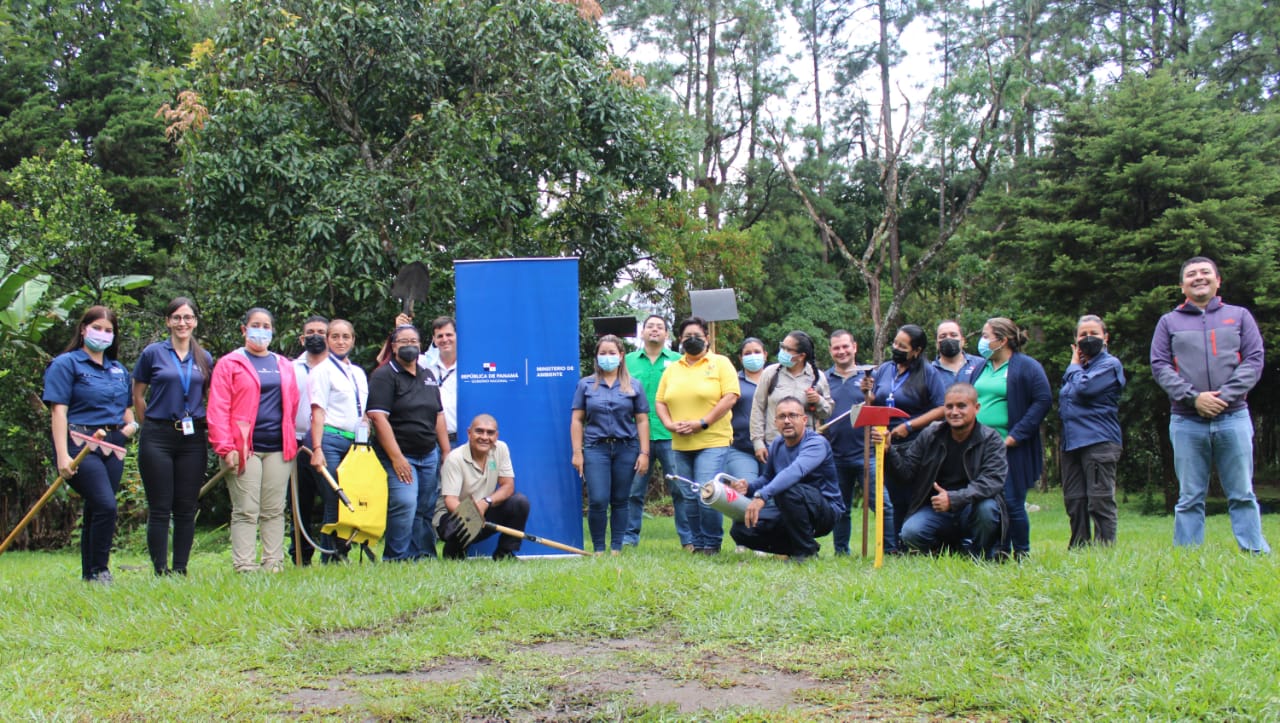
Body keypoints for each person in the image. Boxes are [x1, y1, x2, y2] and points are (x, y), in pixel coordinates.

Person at [1151, 257, 1270, 553]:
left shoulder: (1239, 316)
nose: (1199, 277)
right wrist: (1195, 398)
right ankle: (1188, 558)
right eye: (1191, 274)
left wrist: (1224, 397)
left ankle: (1254, 551)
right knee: (1190, 496)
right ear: (1182, 286)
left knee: (1242, 492)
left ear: (1218, 281)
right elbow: (1161, 366)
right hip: (1186, 420)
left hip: (1233, 417)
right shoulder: (1169, 322)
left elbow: (1254, 360)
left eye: (1205, 272)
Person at [43, 306, 138, 583]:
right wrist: (62, 456)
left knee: (97, 507)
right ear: (83, 329)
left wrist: (130, 428)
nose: (103, 334)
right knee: (107, 505)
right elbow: (58, 412)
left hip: (114, 445)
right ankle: (101, 569)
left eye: (109, 331)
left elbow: (126, 409)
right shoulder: (66, 364)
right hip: (79, 442)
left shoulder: (119, 370)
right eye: (97, 328)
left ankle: (90, 574)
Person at [208, 307, 300, 573]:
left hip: (278, 447)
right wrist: (225, 447)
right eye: (256, 325)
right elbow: (218, 407)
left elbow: (291, 405)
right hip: (243, 447)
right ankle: (245, 565)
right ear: (244, 329)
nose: (262, 330)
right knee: (247, 509)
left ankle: (273, 563)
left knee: (273, 509)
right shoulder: (230, 363)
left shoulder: (283, 364)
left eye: (267, 326)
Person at [132, 297, 214, 576]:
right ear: (168, 321)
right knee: (160, 506)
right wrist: (151, 423)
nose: (182, 323)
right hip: (158, 434)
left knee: (186, 506)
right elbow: (139, 395)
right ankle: (159, 568)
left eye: (188, 317)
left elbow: (209, 395)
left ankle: (180, 568)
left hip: (192, 438)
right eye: (177, 317)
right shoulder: (153, 353)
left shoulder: (204, 357)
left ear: (195, 322)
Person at [879, 383, 1004, 558]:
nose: (954, 412)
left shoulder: (991, 439)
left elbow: (993, 481)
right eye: (949, 406)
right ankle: (949, 551)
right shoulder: (930, 434)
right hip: (936, 508)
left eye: (961, 406)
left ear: (976, 408)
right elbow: (905, 473)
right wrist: (889, 451)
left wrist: (953, 499)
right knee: (910, 532)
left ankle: (980, 555)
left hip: (972, 506)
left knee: (987, 510)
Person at [655, 316, 740, 554]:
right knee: (688, 495)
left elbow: (731, 396)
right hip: (681, 442)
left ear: (707, 338)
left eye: (697, 336)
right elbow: (660, 401)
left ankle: (712, 543)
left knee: (706, 490)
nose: (692, 340)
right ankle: (698, 543)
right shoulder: (673, 368)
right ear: (680, 341)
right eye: (686, 337)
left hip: (712, 439)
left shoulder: (721, 363)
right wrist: (670, 424)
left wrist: (702, 423)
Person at [968, 317, 1051, 559]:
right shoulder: (980, 367)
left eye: (986, 336)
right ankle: (997, 551)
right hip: (980, 447)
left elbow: (1042, 400)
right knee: (988, 502)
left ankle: (1021, 552)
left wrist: (1016, 435)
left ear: (1002, 340)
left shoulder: (1026, 366)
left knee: (1012, 502)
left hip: (1010, 447)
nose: (982, 342)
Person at [367, 324, 450, 560]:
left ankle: (423, 554)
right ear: (393, 347)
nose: (409, 345)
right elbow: (378, 418)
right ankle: (395, 557)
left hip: (428, 453)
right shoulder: (384, 376)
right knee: (404, 503)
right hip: (400, 455)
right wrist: (397, 458)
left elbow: (439, 415)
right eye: (403, 341)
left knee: (425, 508)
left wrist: (445, 452)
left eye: (413, 341)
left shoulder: (428, 375)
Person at [729, 397, 844, 561]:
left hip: (825, 511)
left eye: (793, 415)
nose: (787, 421)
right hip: (788, 507)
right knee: (741, 529)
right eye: (782, 417)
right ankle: (801, 547)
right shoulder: (777, 444)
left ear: (804, 420)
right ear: (775, 422)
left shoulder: (816, 443)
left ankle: (806, 554)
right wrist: (749, 488)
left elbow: (795, 472)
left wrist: (762, 496)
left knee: (788, 489)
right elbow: (768, 478)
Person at [865, 324, 947, 549]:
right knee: (891, 496)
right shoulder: (885, 369)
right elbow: (875, 402)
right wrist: (867, 394)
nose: (896, 348)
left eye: (903, 346)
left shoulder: (928, 373)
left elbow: (941, 408)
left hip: (914, 443)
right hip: (886, 443)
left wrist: (909, 426)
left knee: (910, 494)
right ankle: (894, 546)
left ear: (916, 351)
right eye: (895, 343)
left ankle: (913, 542)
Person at [570, 334, 650, 554]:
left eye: (612, 353)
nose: (607, 357)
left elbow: (642, 420)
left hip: (627, 448)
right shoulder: (585, 384)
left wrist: (644, 453)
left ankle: (616, 548)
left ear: (621, 356)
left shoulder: (634, 385)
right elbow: (577, 420)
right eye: (603, 353)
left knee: (621, 499)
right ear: (596, 356)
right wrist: (577, 452)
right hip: (596, 448)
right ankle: (598, 548)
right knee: (598, 499)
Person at [622, 315, 689, 549]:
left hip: (672, 434)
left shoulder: (680, 361)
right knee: (633, 490)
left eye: (659, 327)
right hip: (636, 436)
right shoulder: (627, 361)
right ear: (642, 333)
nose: (654, 330)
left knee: (680, 489)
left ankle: (688, 539)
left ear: (667, 335)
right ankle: (629, 538)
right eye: (649, 326)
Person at [308, 319, 371, 561]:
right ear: (327, 340)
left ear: (353, 340)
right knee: (335, 498)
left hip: (356, 444)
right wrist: (316, 448)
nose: (340, 341)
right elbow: (318, 411)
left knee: (352, 498)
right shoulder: (322, 370)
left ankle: (344, 552)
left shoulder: (358, 373)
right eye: (335, 336)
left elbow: (363, 410)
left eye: (346, 336)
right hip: (331, 440)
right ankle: (330, 557)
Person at [1060, 315, 1125, 548]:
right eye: (1083, 335)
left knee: (1099, 499)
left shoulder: (1109, 365)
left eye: (1094, 334)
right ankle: (1079, 547)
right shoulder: (1079, 369)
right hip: (1071, 443)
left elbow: (1085, 389)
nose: (1088, 339)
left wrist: (1073, 366)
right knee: (1074, 499)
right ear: (1075, 340)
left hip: (1098, 440)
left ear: (1105, 338)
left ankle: (1104, 549)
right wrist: (1076, 367)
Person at [434, 414, 530, 559]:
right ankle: (454, 552)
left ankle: (504, 554)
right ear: (469, 433)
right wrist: (473, 514)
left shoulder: (501, 449)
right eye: (479, 431)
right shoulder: (455, 458)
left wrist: (486, 502)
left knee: (520, 502)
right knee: (461, 525)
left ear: (496, 435)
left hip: (484, 509)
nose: (485, 437)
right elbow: (450, 501)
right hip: (453, 516)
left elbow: (508, 486)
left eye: (490, 433)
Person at [822, 329, 875, 555]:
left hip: (867, 453)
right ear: (830, 351)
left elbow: (878, 408)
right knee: (840, 508)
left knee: (881, 504)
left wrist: (870, 394)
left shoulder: (870, 377)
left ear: (855, 347)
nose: (841, 351)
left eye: (845, 346)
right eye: (836, 347)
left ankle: (889, 549)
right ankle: (841, 551)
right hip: (835, 454)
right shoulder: (823, 379)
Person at [749, 330, 833, 460]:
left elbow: (826, 413)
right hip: (774, 445)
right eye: (782, 346)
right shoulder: (770, 373)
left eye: (788, 349)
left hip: (805, 448)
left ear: (801, 356)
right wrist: (758, 442)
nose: (782, 352)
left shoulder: (817, 377)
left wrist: (818, 400)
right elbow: (758, 408)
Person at [288, 315, 328, 565]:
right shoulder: (289, 369)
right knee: (298, 503)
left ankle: (331, 553)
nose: (316, 336)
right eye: (311, 332)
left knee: (331, 501)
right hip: (297, 443)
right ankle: (300, 556)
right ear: (303, 338)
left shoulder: (339, 369)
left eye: (321, 332)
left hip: (328, 445)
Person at [724, 337, 767, 483]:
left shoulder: (776, 379)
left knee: (773, 494)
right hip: (741, 447)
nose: (753, 356)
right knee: (746, 488)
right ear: (740, 358)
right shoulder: (732, 381)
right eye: (747, 353)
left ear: (765, 355)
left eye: (757, 352)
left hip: (773, 447)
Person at [932, 320, 984, 386]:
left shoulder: (981, 364)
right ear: (937, 344)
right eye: (943, 336)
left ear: (963, 341)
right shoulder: (930, 371)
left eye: (953, 335)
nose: (948, 338)